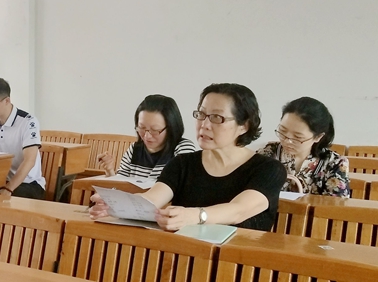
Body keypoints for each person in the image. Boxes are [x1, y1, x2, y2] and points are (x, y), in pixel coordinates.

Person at [90, 83, 285, 231]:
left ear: (244, 126)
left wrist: (195, 216)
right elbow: (152, 199)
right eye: (201, 114)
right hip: (183, 258)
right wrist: (116, 205)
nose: (204, 125)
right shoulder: (182, 164)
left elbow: (238, 211)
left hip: (239, 264)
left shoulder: (268, 169)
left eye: (216, 118)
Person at [257, 97, 350, 197]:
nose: (287, 141)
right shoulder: (267, 154)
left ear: (318, 137)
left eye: (297, 137)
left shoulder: (335, 164)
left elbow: (335, 205)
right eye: (283, 131)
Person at [97, 94, 196, 179]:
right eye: (142, 128)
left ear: (171, 127)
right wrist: (110, 171)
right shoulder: (134, 150)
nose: (147, 136)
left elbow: (182, 188)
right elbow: (119, 187)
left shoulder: (182, 148)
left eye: (155, 130)